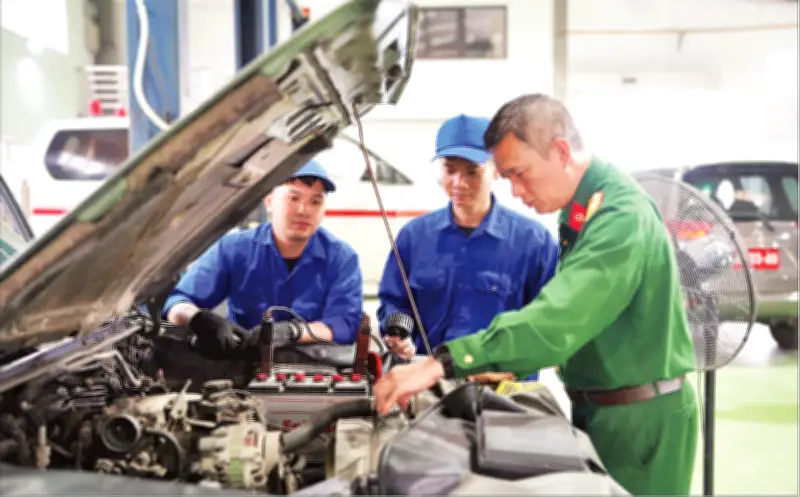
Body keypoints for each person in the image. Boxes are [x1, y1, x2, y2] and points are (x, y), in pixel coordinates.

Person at [374, 94, 699, 496]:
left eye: (519, 173)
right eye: (507, 177)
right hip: (602, 408)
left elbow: (557, 318)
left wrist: (443, 362)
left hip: (637, 421)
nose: (514, 190)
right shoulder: (579, 212)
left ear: (560, 151)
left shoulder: (619, 217)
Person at [377, 114, 559, 383]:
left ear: (497, 169)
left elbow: (550, 324)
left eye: (472, 171)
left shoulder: (534, 243)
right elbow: (394, 303)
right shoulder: (414, 238)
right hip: (429, 385)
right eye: (450, 170)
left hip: (504, 390)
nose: (458, 183)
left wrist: (511, 370)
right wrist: (398, 334)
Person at [164, 160, 364, 358]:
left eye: (315, 201)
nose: (303, 210)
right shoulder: (233, 249)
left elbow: (345, 324)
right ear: (269, 201)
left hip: (311, 365)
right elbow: (176, 302)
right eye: (293, 198)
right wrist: (198, 319)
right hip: (241, 363)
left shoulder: (341, 258)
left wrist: (293, 331)